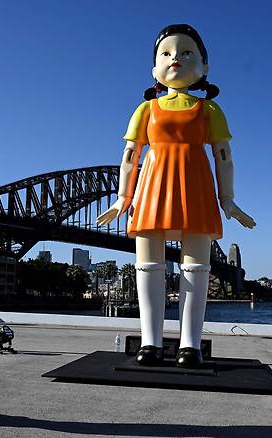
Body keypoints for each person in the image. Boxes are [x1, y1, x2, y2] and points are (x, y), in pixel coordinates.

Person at [97, 24, 255, 368]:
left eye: (187, 53)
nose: (176, 59)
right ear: (154, 68)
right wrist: (123, 197)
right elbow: (129, 157)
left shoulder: (209, 110)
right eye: (166, 53)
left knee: (196, 267)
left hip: (196, 186)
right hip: (152, 186)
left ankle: (189, 344)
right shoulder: (145, 110)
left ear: (204, 67)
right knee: (148, 265)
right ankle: (150, 342)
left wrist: (227, 199)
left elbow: (224, 156)